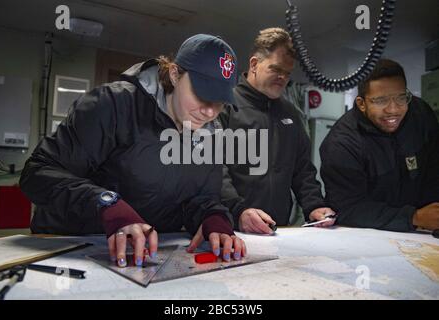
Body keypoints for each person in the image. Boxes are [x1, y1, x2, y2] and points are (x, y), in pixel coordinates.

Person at [20, 34, 246, 267]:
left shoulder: (211, 133)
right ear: (175, 74)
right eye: (202, 94)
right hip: (72, 247)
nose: (210, 112)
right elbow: (37, 172)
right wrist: (106, 204)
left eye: (219, 101)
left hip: (143, 257)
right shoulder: (113, 105)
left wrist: (213, 217)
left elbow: (200, 198)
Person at [219, 27, 335, 235]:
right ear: (254, 64)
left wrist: (314, 206)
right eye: (276, 69)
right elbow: (214, 170)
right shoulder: (224, 105)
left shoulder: (291, 113)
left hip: (278, 230)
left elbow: (302, 170)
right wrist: (238, 211)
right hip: (230, 228)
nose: (283, 78)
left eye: (287, 73)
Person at [320, 59, 439, 232]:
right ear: (362, 104)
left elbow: (434, 171)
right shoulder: (342, 143)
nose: (393, 110)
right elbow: (348, 208)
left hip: (423, 233)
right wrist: (414, 217)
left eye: (400, 98)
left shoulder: (420, 115)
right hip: (369, 236)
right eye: (381, 100)